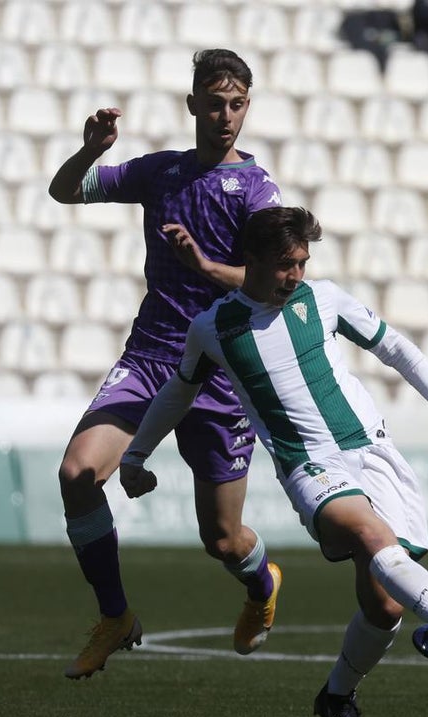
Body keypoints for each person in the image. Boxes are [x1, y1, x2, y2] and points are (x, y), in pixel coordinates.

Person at [118, 205, 428, 717]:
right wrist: (136, 456)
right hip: (308, 464)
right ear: (249, 259)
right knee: (371, 533)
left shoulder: (322, 298)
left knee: (385, 604)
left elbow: (393, 346)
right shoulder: (213, 329)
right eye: (283, 264)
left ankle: (337, 695)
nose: (295, 274)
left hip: (373, 451)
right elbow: (180, 391)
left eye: (301, 262)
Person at [47, 49, 285, 680]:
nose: (226, 115)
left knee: (223, 540)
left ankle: (262, 587)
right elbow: (64, 191)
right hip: (153, 356)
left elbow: (273, 281)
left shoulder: (257, 190)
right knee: (77, 474)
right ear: (193, 106)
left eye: (237, 104)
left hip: (223, 370)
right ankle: (116, 615)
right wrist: (92, 148)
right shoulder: (160, 173)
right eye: (215, 103)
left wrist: (208, 268)